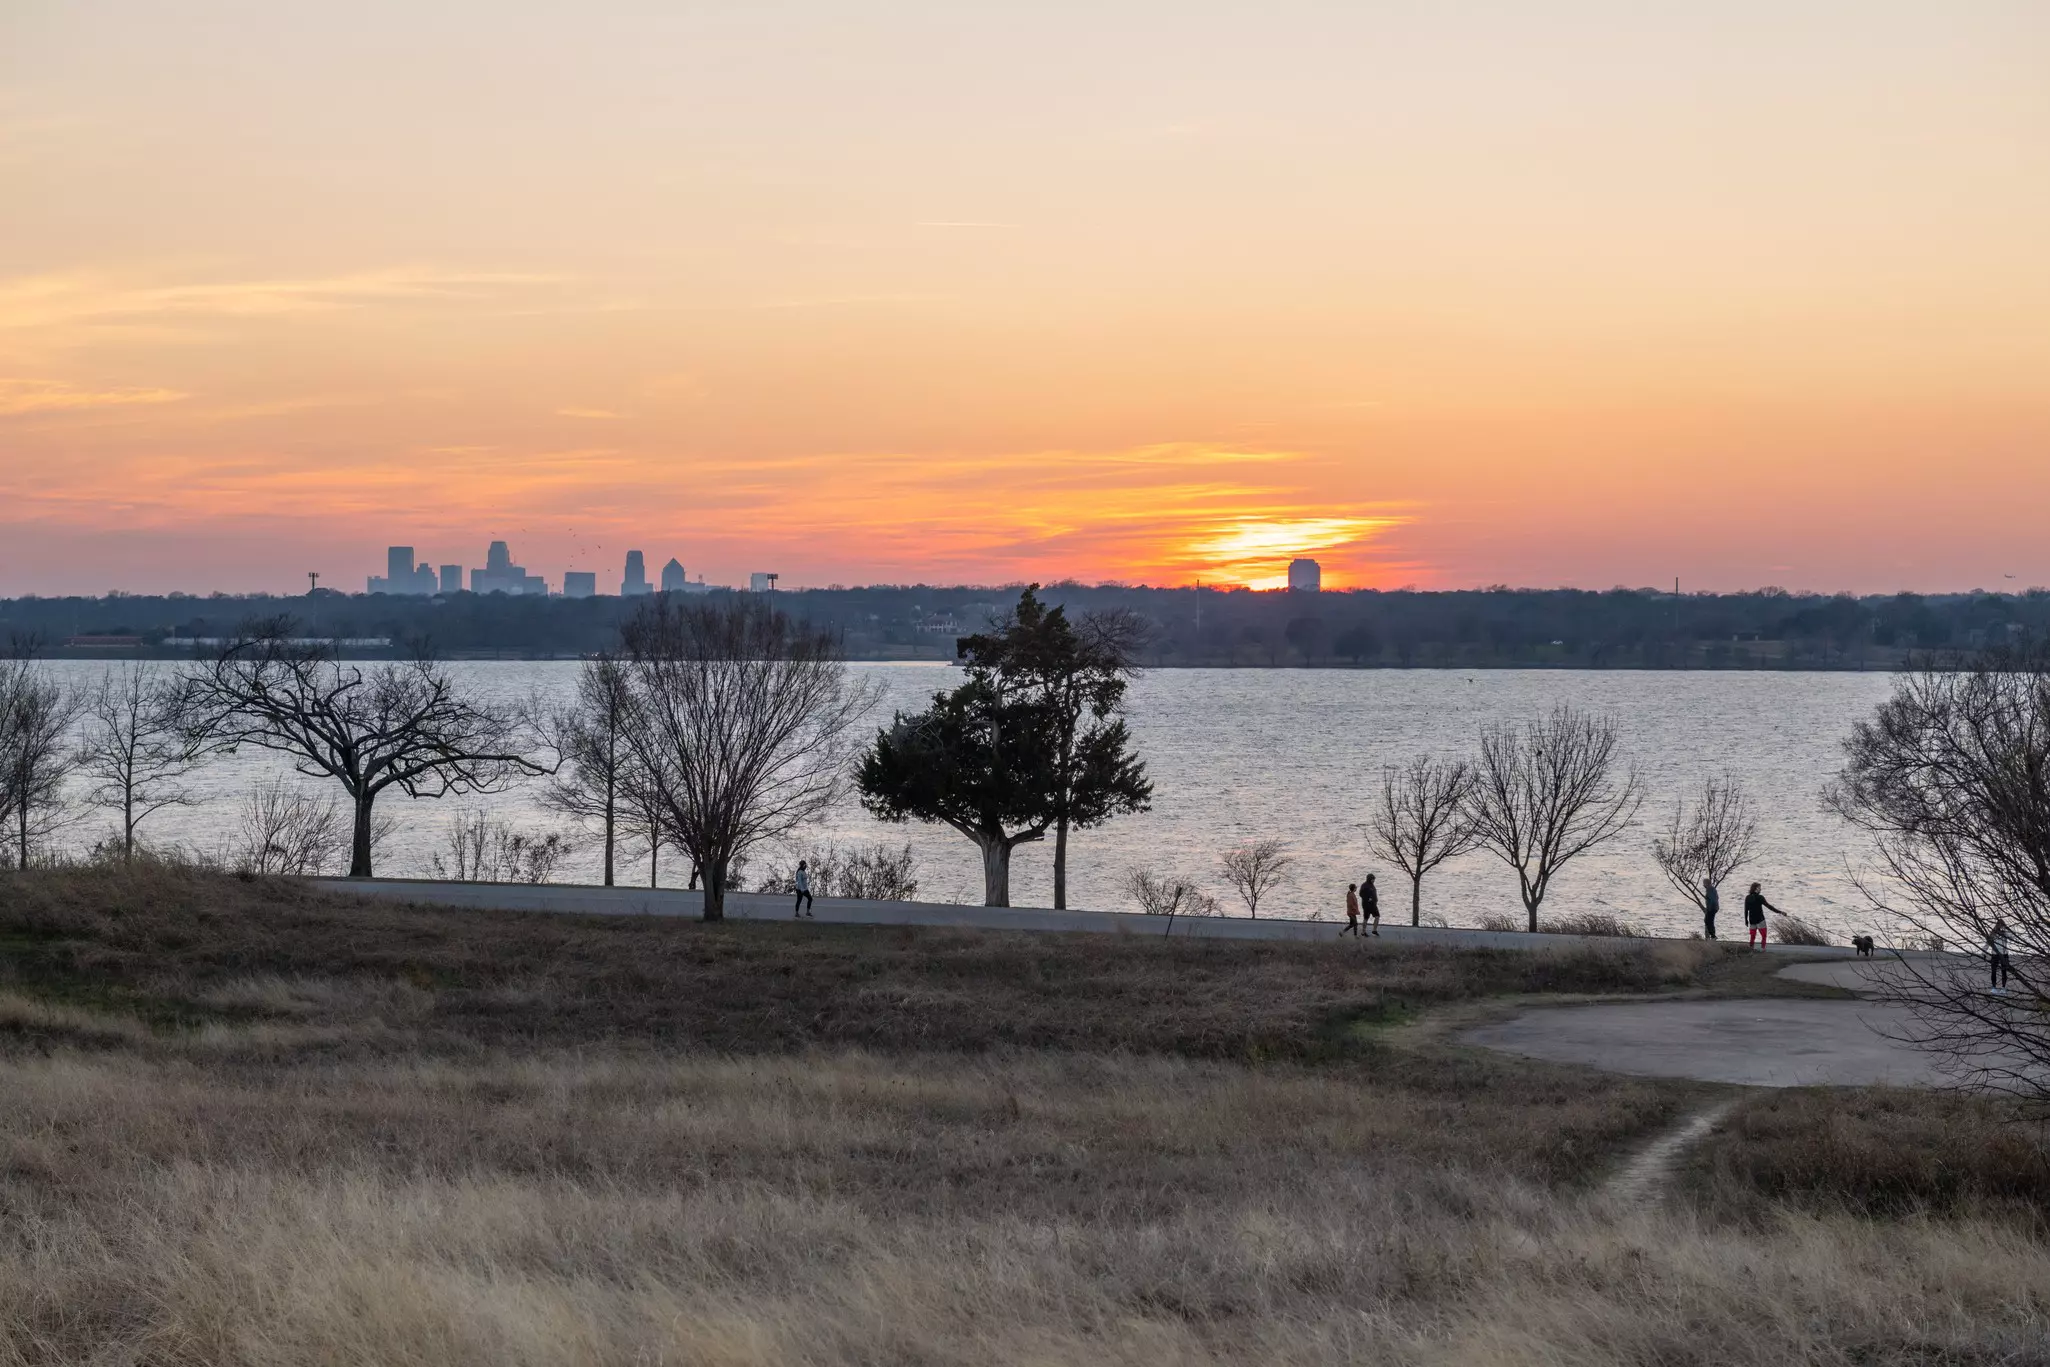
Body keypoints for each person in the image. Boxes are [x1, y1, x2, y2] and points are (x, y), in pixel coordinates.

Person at [1742, 882, 1780, 949]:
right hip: (1760, 919)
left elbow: (1746, 910)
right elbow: (1769, 906)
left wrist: (1746, 920)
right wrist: (1780, 912)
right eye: (1759, 888)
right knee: (1764, 936)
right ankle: (1763, 949)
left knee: (1752, 936)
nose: (1760, 889)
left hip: (1752, 920)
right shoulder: (1760, 897)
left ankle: (1751, 949)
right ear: (1756, 889)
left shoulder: (1747, 897)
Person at [1990, 918, 2012, 994]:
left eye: (2002, 924)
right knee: (1993, 971)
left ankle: (2003, 987)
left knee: (2004, 971)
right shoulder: (1993, 933)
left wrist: (2006, 928)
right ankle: (1993, 987)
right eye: (1999, 924)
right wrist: (1983, 952)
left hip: (2004, 954)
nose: (2000, 926)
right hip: (1995, 954)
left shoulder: (2005, 933)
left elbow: (2012, 936)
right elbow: (1988, 942)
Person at [1361, 873, 1381, 937]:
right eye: (1372, 879)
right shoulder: (1364, 885)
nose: (1373, 880)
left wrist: (1375, 899)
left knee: (1377, 916)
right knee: (1366, 918)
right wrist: (1368, 899)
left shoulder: (1372, 885)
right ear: (1369, 879)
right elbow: (1361, 894)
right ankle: (1363, 932)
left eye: (1374, 879)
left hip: (1373, 905)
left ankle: (1374, 930)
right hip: (1367, 905)